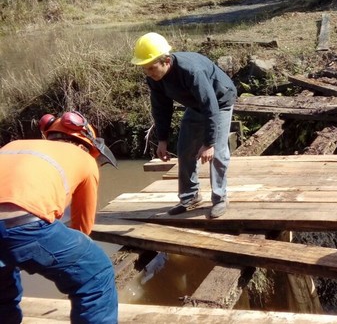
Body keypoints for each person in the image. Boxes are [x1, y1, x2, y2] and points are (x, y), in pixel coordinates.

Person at [0, 111, 119, 323]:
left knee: (2, 283)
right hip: (23, 224)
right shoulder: (85, 159)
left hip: (14, 223)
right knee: (96, 272)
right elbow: (82, 226)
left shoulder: (13, 145)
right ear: (85, 143)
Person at [130, 32, 237, 218]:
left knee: (218, 152)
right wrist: (162, 140)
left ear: (166, 61)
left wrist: (209, 143)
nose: (148, 73)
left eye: (151, 68)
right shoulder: (154, 78)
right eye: (145, 69)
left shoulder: (191, 71)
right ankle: (190, 197)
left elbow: (209, 105)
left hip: (219, 102)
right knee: (185, 148)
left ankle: (220, 198)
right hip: (195, 105)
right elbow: (161, 108)